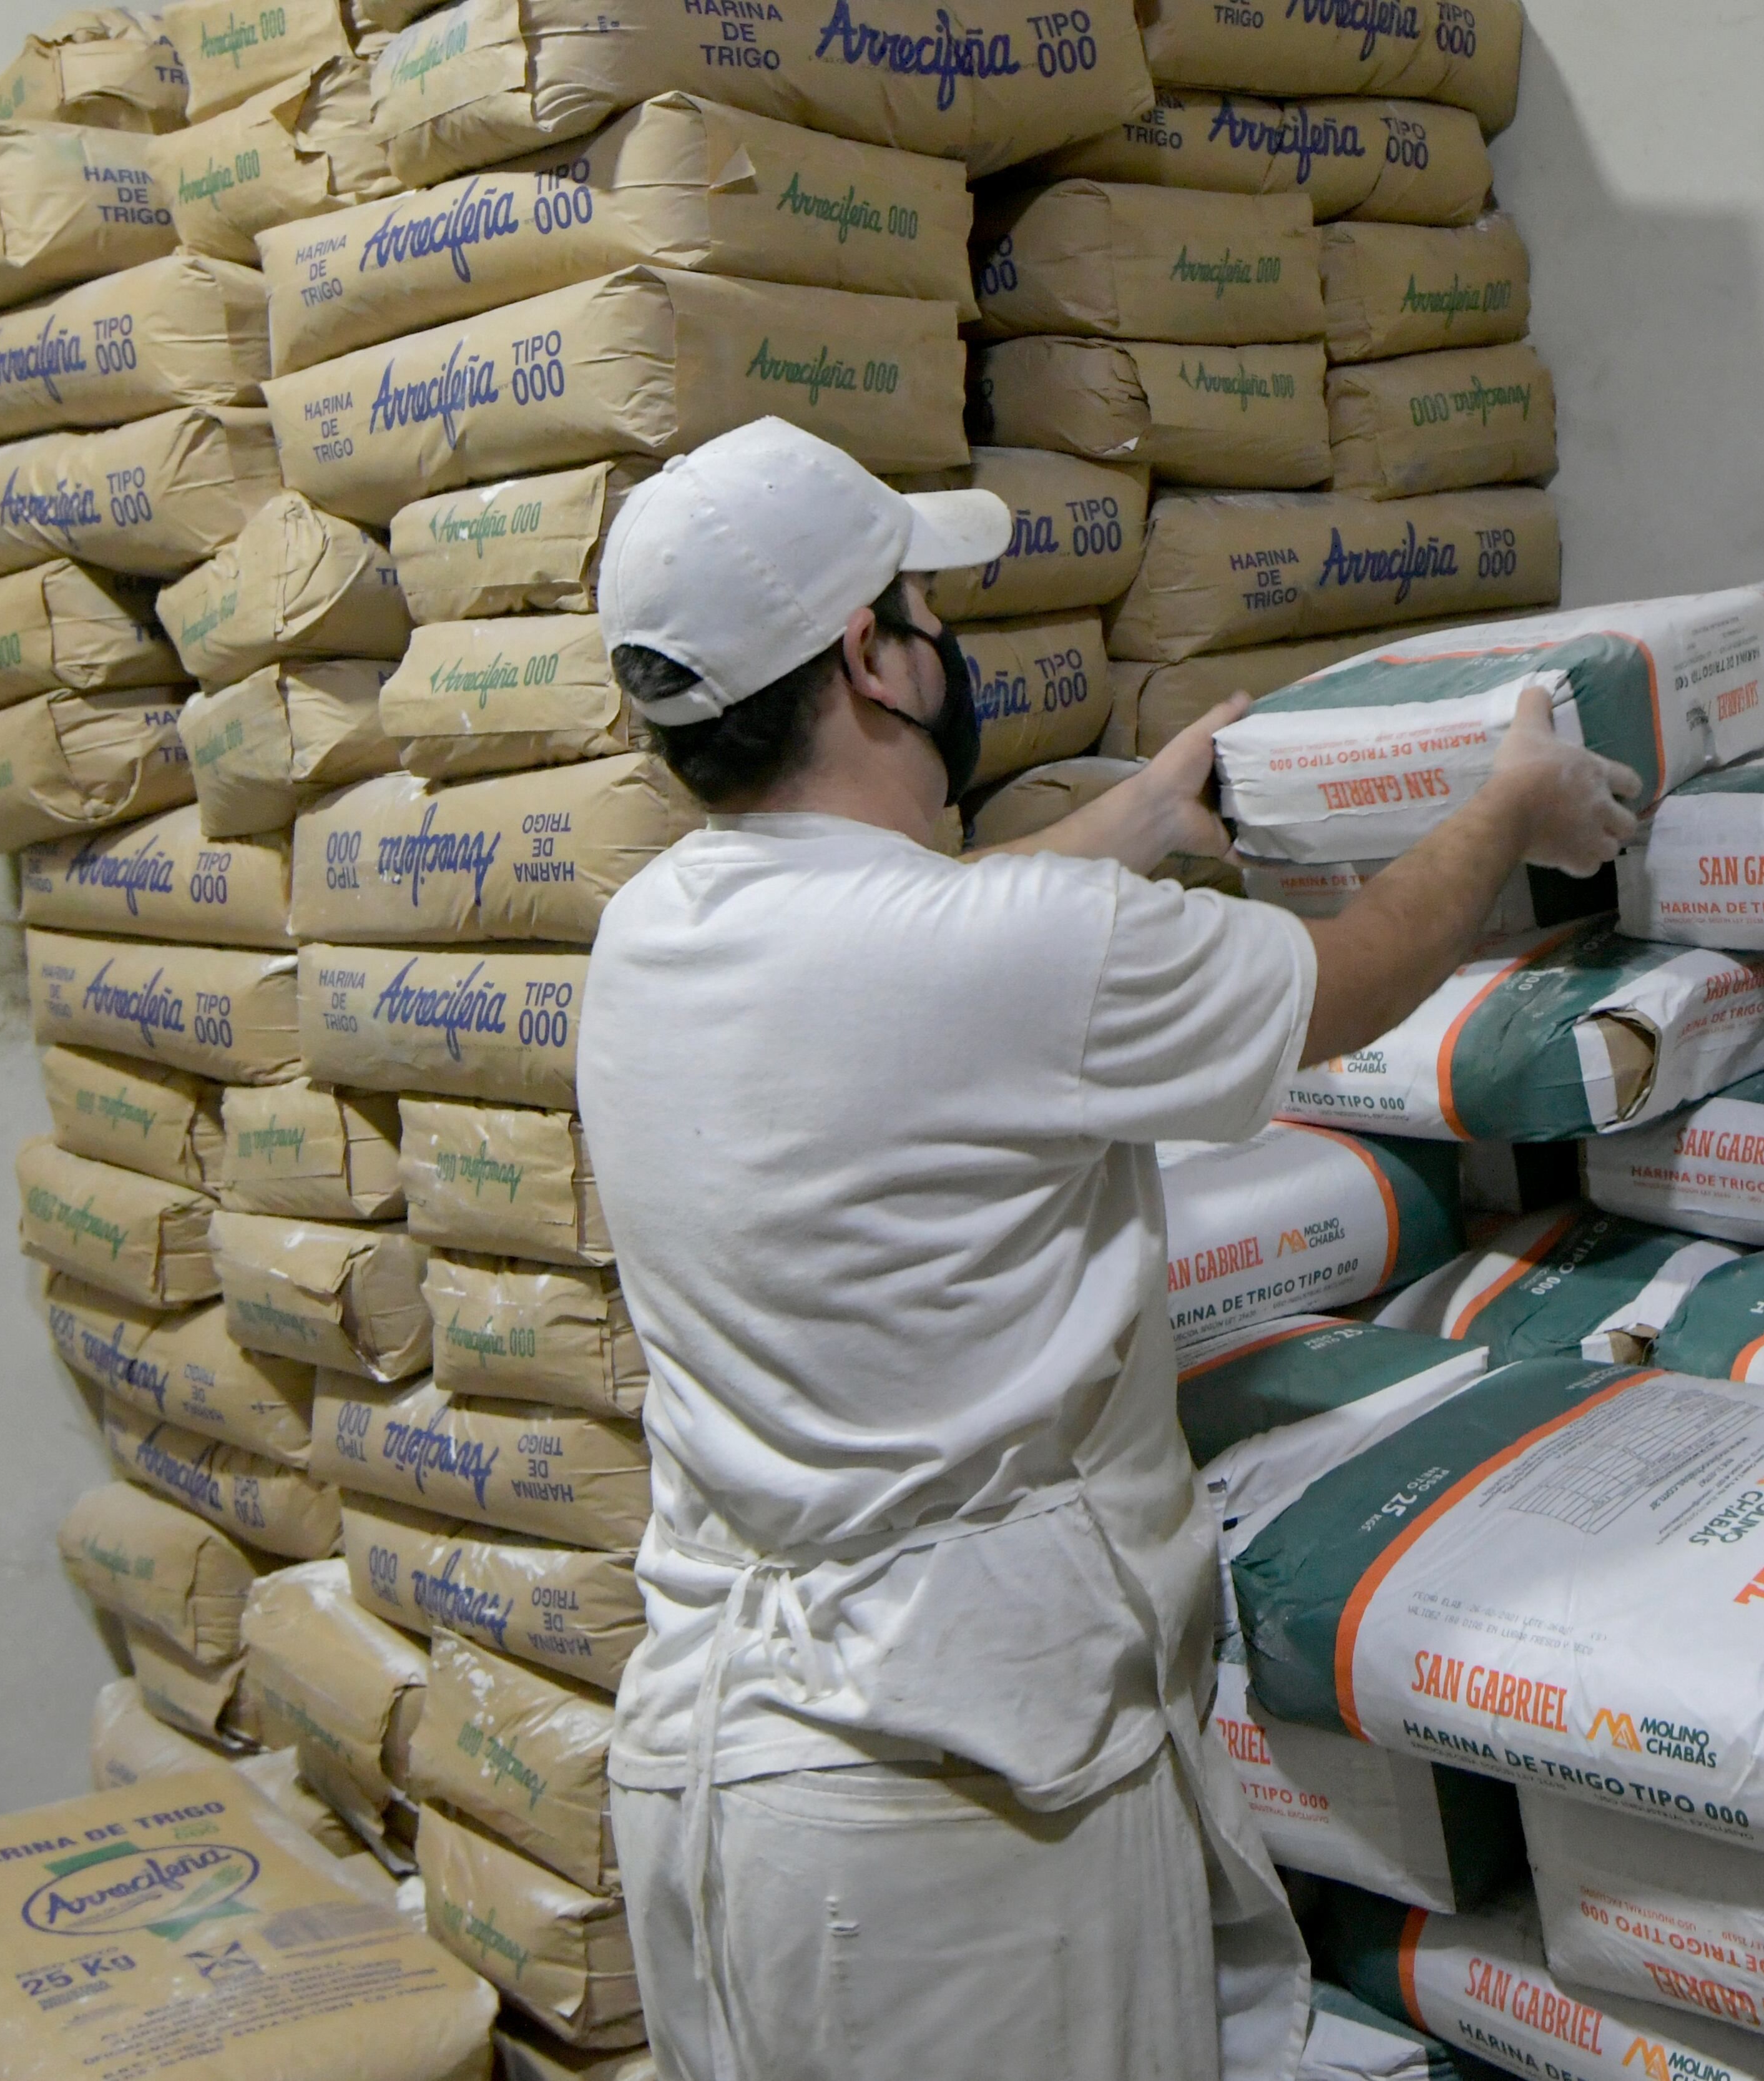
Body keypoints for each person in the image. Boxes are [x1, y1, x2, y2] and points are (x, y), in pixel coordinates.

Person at [575, 419, 1642, 2081]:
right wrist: (1511, 812)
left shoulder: (653, 935)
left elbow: (937, 955)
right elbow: (1347, 976)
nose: (947, 642)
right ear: (871, 659)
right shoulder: (998, 950)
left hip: (724, 1788)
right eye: (924, 611)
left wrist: (1140, 817)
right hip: (958, 1818)